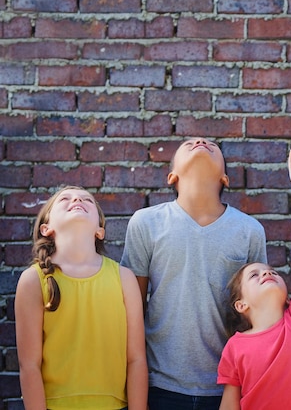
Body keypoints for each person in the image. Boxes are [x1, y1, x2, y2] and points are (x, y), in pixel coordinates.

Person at [121, 137, 267, 410]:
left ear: (225, 178)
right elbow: (132, 309)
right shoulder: (146, 223)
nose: (200, 142)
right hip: (160, 383)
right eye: (188, 144)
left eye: (213, 145)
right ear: (171, 176)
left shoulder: (249, 231)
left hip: (228, 386)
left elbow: (258, 316)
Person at [15, 186, 148, 410]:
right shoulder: (32, 281)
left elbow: (136, 359)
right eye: (64, 199)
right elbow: (29, 365)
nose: (77, 199)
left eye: (87, 199)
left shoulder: (124, 278)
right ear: (46, 228)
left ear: (100, 230)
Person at [217, 149, 291, 410]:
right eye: (255, 275)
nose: (267, 273)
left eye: (272, 271)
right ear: (241, 304)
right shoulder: (235, 347)